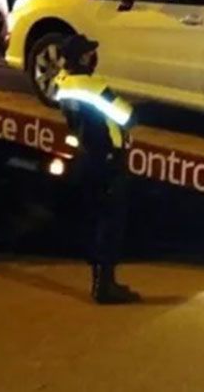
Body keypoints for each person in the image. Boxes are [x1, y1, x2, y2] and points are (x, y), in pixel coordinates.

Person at [53, 34, 141, 304]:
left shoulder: (63, 83)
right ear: (82, 58)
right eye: (90, 52)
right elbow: (128, 116)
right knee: (110, 221)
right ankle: (105, 286)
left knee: (96, 219)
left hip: (87, 156)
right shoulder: (93, 87)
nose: (94, 56)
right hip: (107, 160)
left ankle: (100, 281)